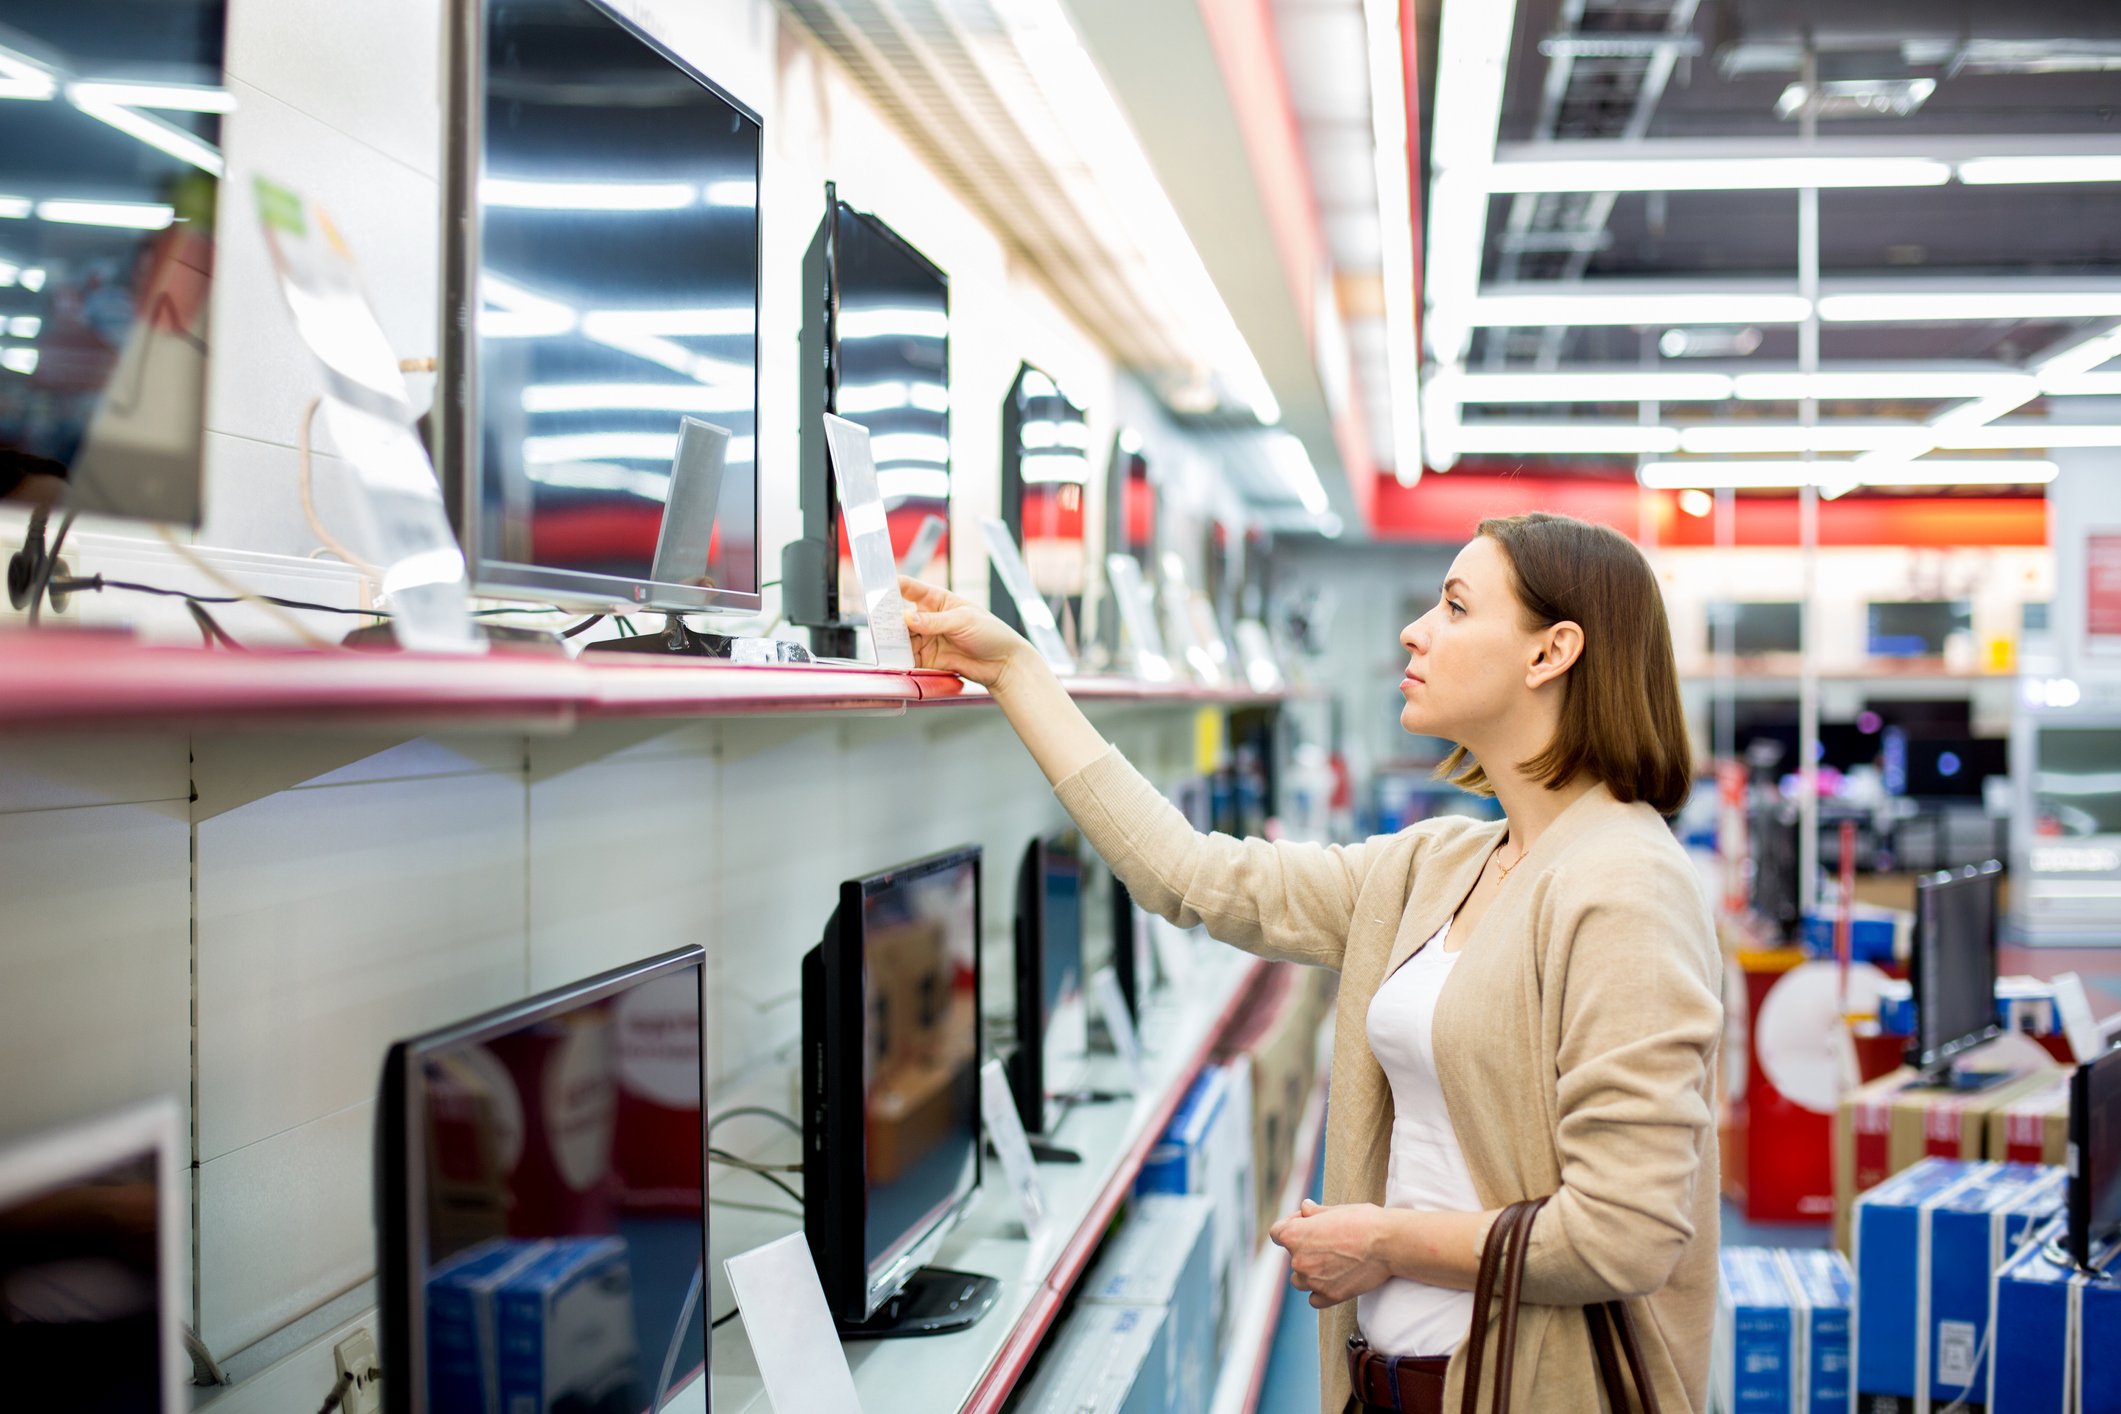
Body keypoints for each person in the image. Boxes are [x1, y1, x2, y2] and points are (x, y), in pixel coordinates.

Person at [899, 511, 1720, 1414]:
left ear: (1549, 653)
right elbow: (1193, 876)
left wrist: (1385, 1244)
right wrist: (1016, 673)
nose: (1414, 631)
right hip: (1389, 1383)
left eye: (1453, 606)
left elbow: (1624, 1235)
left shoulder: (1626, 888)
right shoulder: (1438, 863)